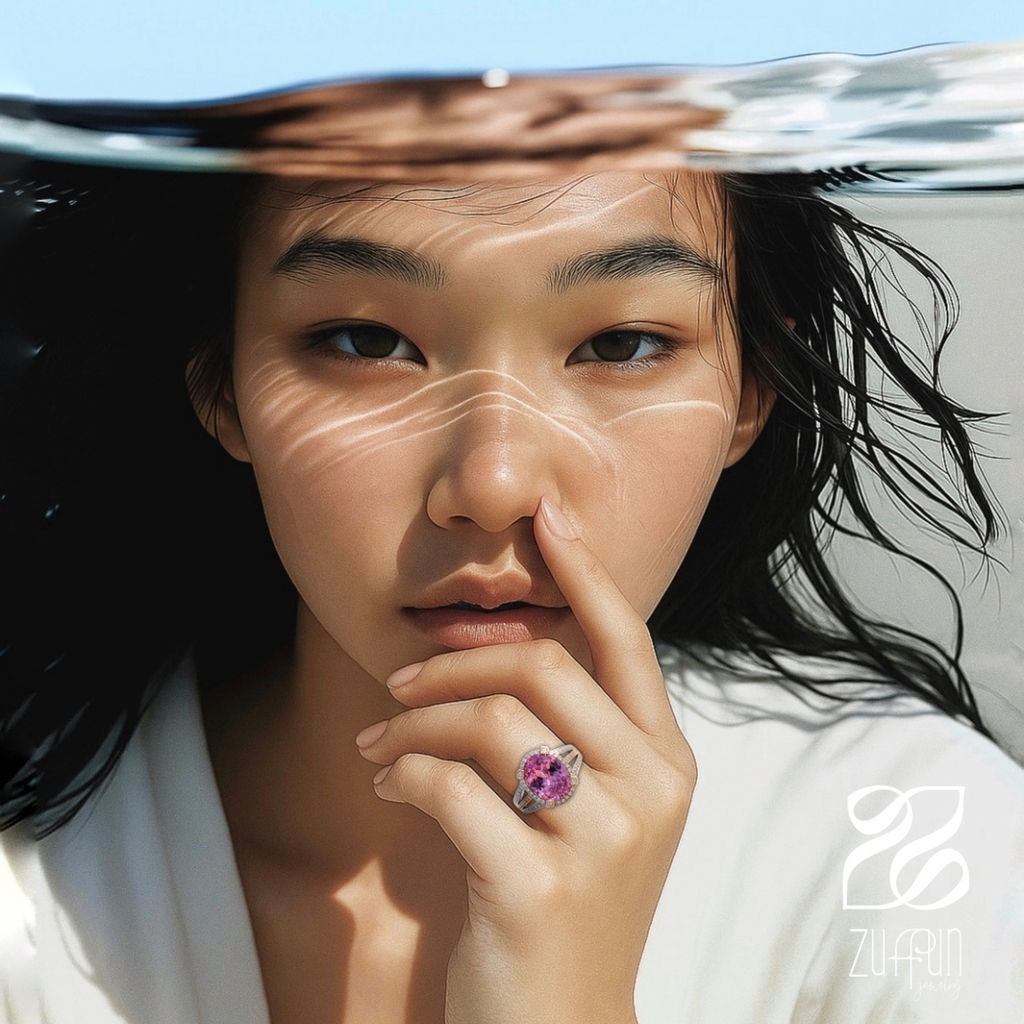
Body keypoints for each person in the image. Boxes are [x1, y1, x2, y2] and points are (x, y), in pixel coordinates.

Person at [0, 154, 1021, 1024]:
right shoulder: (30, 888)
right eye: (367, 341)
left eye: (620, 344)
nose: (491, 486)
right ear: (219, 378)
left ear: (752, 387)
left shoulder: (922, 849)